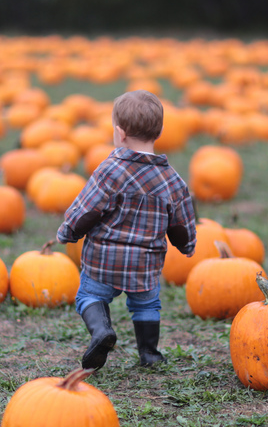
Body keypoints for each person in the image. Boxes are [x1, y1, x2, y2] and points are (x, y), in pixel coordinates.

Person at [57, 90, 196, 369]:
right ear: (159, 132)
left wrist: (68, 232)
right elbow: (182, 223)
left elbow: (87, 209)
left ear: (120, 133)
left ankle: (101, 331)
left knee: (90, 296)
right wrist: (186, 245)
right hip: (145, 264)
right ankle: (149, 353)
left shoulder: (109, 171)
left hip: (103, 260)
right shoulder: (172, 180)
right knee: (146, 305)